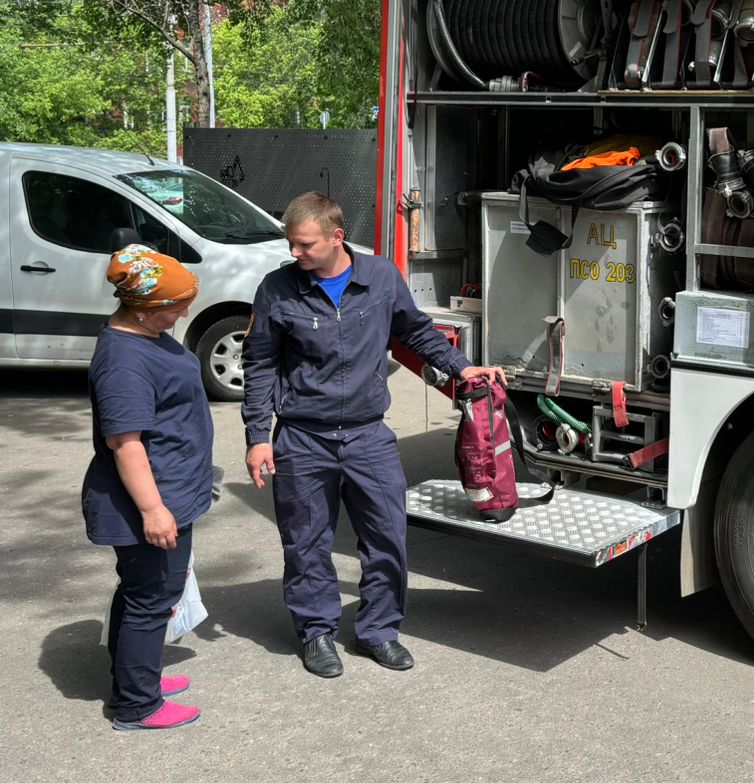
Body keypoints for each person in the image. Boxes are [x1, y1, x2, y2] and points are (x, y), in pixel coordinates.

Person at [243, 192, 502, 678]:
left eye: (304, 245)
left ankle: (379, 631)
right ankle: (316, 632)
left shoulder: (381, 277)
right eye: (291, 245)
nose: (294, 254)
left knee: (386, 536)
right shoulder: (277, 289)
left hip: (367, 436)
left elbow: (418, 333)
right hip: (302, 438)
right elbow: (259, 364)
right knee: (306, 542)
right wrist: (259, 435)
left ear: (336, 237)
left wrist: (463, 369)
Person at [84, 244, 213, 731]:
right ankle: (137, 705)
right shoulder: (123, 362)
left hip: (173, 490)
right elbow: (126, 446)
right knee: (152, 597)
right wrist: (155, 510)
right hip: (147, 503)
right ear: (141, 307)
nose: (183, 313)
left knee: (142, 590)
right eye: (175, 307)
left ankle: (134, 679)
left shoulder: (145, 336)